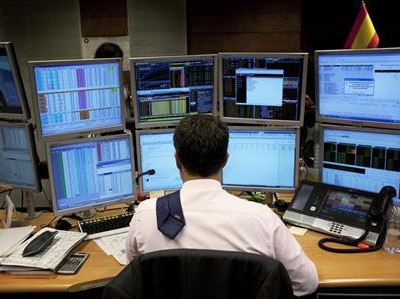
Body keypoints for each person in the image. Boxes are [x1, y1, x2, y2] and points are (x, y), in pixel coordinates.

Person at [125, 114, 319, 297]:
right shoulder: (262, 219)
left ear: (177, 160)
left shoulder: (146, 214)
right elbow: (306, 283)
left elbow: (133, 271)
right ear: (225, 160)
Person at [94, 42, 134, 118]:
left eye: (120, 61)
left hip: (126, 122)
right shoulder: (97, 82)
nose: (120, 64)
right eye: (117, 61)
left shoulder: (119, 76)